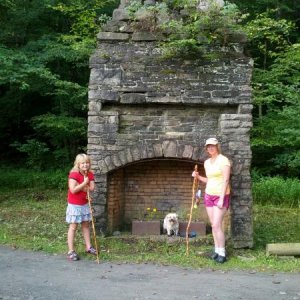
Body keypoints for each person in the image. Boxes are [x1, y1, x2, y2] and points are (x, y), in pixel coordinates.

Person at [192, 138, 231, 263]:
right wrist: (198, 177)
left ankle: (222, 252)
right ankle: (217, 250)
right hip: (209, 194)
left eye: (212, 146)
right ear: (206, 148)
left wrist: (220, 198)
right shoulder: (207, 162)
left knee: (216, 225)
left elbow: (225, 180)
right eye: (208, 146)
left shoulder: (223, 160)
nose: (210, 148)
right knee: (213, 225)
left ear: (217, 146)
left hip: (221, 195)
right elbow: (210, 180)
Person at [66, 153, 97, 261]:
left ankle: (88, 247)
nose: (85, 165)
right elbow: (73, 190)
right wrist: (84, 183)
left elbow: (92, 188)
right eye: (83, 163)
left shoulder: (90, 174)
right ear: (78, 164)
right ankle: (71, 251)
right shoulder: (74, 174)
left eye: (87, 163)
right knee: (73, 227)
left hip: (84, 204)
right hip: (74, 205)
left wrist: (84, 185)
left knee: (85, 225)